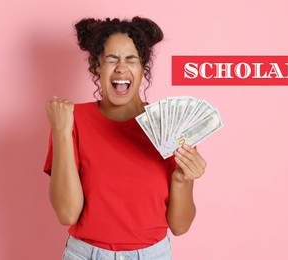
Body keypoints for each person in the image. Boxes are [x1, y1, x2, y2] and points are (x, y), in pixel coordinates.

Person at [43, 16, 206, 260]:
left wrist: (182, 179)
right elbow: (67, 214)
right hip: (85, 254)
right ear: (97, 66)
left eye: (131, 59)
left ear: (143, 68)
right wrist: (61, 131)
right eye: (111, 59)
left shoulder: (171, 125)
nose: (121, 67)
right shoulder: (71, 120)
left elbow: (180, 226)